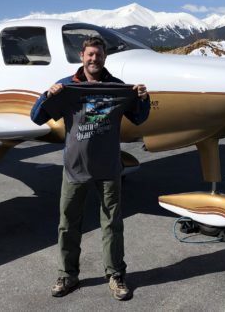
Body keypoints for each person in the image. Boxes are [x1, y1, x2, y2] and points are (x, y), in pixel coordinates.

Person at [30, 36, 150, 301]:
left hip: (108, 168)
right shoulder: (67, 87)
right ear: (82, 57)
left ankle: (116, 275)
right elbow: (37, 117)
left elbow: (139, 117)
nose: (94, 59)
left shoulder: (117, 88)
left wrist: (143, 98)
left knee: (113, 224)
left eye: (98, 55)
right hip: (75, 168)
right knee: (68, 225)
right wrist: (46, 96)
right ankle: (67, 275)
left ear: (105, 57)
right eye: (90, 55)